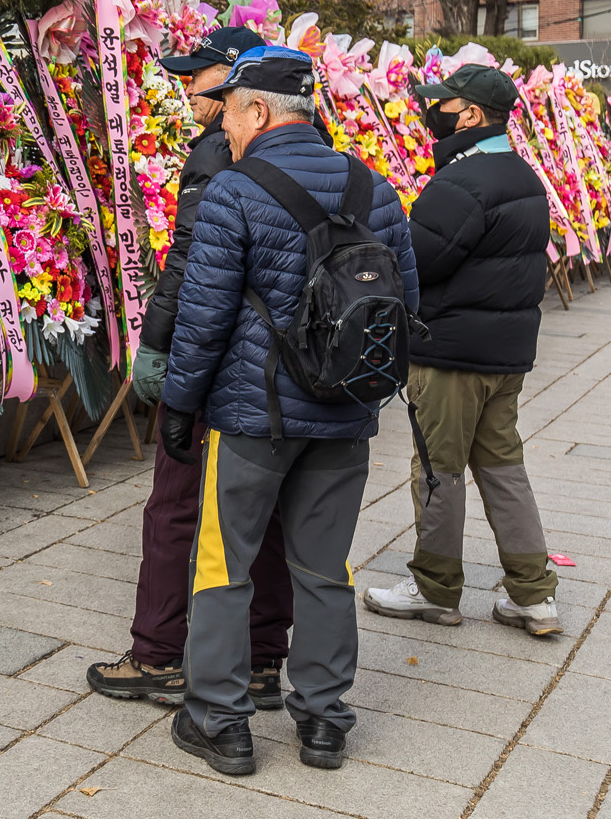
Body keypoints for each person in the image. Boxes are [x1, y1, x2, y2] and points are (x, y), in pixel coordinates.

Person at [158, 46, 419, 776]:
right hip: (344, 419)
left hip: (252, 418)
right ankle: (324, 722)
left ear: (261, 111)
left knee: (223, 564)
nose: (228, 129)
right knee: (324, 568)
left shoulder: (234, 192)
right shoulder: (377, 189)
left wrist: (179, 404)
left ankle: (220, 720)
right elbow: (407, 307)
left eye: (234, 112)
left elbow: (203, 318)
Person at [88, 26, 296, 709]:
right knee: (265, 509)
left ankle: (157, 652)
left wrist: (159, 346)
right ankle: (265, 657)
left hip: (210, 354)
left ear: (237, 86)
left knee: (176, 503)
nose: (186, 90)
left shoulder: (217, 148)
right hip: (275, 362)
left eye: (198, 77)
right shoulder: (308, 149)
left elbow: (189, 260)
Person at [365, 63, 559, 636]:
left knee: (437, 469)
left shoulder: (461, 181)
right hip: (506, 356)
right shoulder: (523, 176)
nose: (434, 113)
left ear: (470, 114)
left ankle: (434, 587)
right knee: (503, 467)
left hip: (451, 355)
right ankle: (533, 594)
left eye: (443, 105)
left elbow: (414, 262)